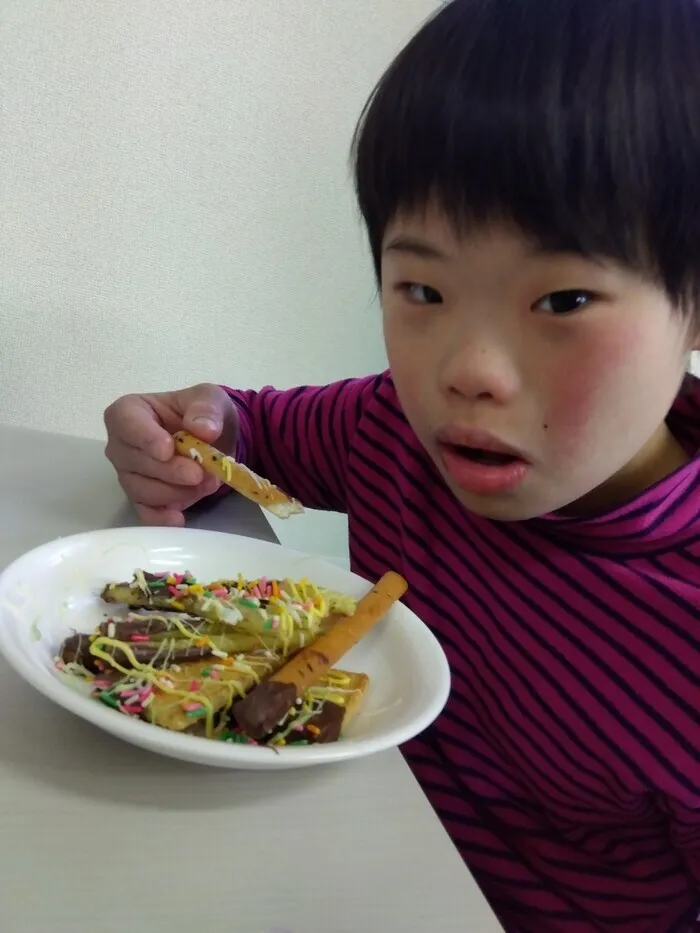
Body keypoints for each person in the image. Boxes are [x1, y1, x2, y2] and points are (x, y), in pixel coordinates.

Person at [103, 1, 700, 929]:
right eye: (422, 288)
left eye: (565, 298)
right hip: (295, 852)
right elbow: (248, 431)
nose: (468, 373)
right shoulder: (389, 429)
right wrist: (187, 430)